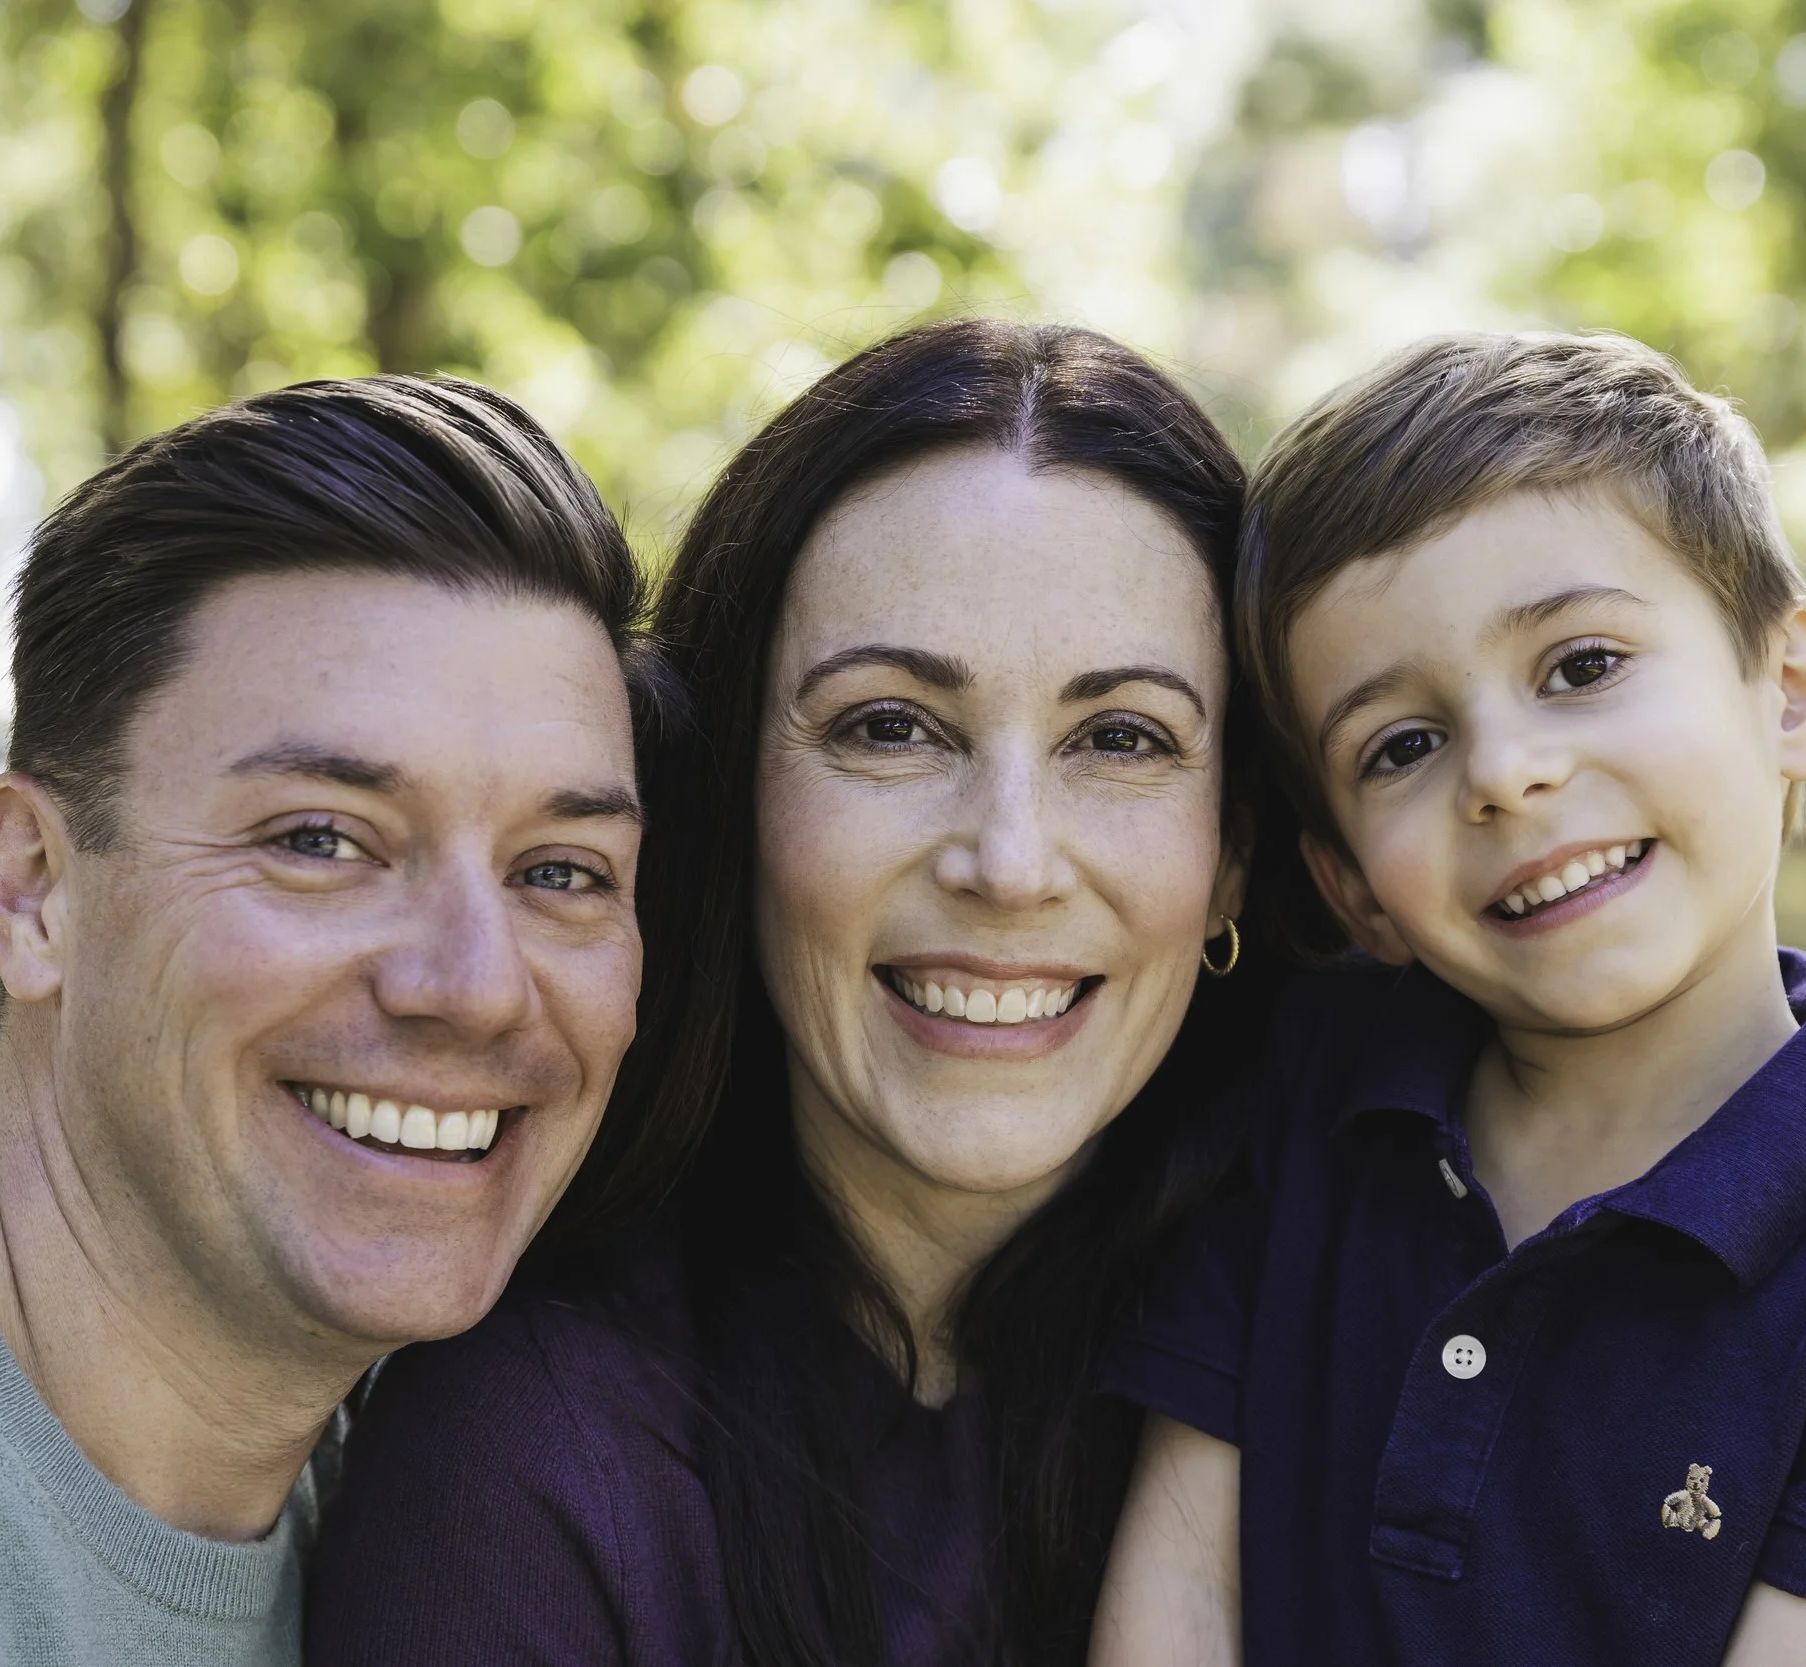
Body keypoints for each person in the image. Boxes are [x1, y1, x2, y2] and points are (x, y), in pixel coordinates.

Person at [0, 375, 690, 1664]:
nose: (472, 986)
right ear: (34, 892)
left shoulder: (467, 1506)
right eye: (321, 840)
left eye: (561, 871)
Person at [1090, 332, 1806, 1666]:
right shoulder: (1309, 1099)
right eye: (1401, 744)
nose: (1504, 773)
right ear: (1350, 888)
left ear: (1792, 689)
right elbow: (1181, 1603)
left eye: (1582, 666)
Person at [307, 318, 1300, 1664]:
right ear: (731, 806)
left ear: (1232, 851)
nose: (1007, 861)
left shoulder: (1374, 1334)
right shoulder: (531, 1459)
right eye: (889, 725)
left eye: (1119, 738)